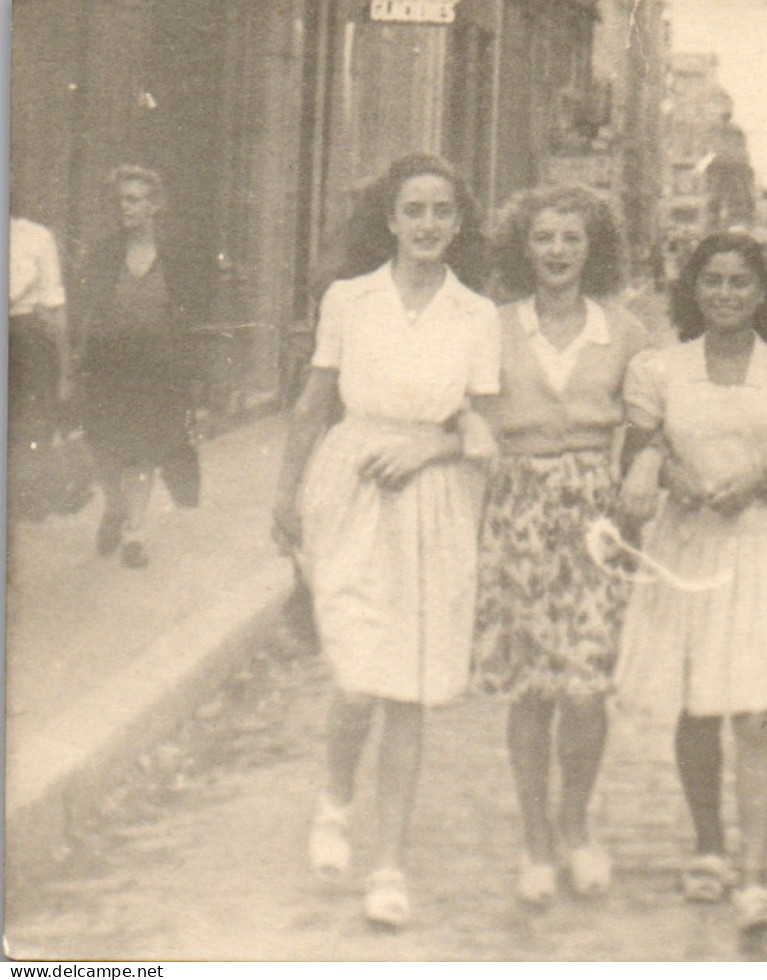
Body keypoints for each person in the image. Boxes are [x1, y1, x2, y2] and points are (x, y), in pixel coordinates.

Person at [271, 154, 500, 929]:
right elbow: (312, 403)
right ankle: (336, 798)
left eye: (443, 210)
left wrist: (432, 447)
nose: (428, 224)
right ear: (391, 220)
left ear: (458, 224)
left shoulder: (476, 315)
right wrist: (286, 496)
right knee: (356, 679)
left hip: (434, 497)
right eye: (414, 210)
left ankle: (390, 865)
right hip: (351, 486)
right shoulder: (350, 300)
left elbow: (486, 422)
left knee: (409, 687)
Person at [615, 231, 767, 954]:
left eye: (740, 282)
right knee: (697, 703)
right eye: (712, 281)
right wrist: (680, 481)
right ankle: (708, 843)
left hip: (766, 545)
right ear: (693, 288)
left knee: (759, 713)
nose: (726, 294)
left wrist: (761, 479)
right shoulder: (660, 368)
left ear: (760, 292)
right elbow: (639, 450)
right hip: (689, 545)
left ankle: (754, 871)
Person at [469, 184, 650, 906]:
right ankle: (536, 840)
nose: (557, 252)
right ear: (524, 247)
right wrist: (473, 431)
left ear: (591, 249)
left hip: (593, 519)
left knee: (584, 687)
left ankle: (576, 825)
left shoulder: (626, 331)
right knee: (531, 686)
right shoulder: (492, 325)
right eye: (544, 238)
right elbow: (462, 404)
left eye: (571, 239)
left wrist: (643, 462)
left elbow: (651, 417)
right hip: (515, 510)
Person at [77, 166, 211, 567]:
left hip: (157, 370)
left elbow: (191, 319)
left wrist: (194, 377)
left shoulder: (176, 257)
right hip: (108, 368)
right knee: (104, 449)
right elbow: (88, 312)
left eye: (134, 200)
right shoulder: (104, 254)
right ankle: (115, 506)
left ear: (154, 206)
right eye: (120, 199)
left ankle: (134, 532)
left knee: (144, 449)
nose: (125, 207)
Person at [9, 213, 79, 519]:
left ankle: (30, 498)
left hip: (28, 341)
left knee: (33, 424)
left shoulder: (36, 236)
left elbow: (56, 308)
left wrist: (65, 371)